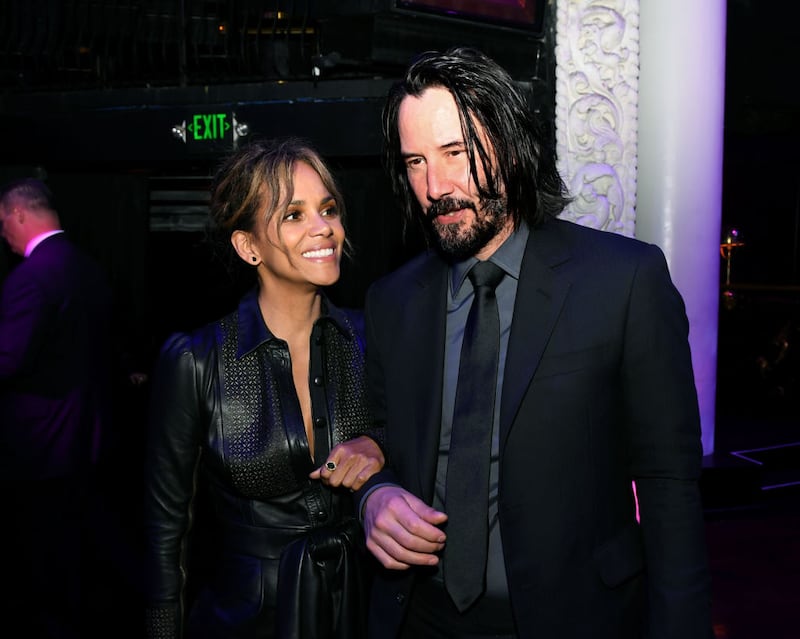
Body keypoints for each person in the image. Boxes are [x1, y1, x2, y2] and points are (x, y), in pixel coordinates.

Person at [356, 46, 713, 639]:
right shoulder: (393, 300)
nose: (435, 186)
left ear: (512, 144)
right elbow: (378, 442)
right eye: (415, 162)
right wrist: (375, 493)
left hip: (578, 619)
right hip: (421, 620)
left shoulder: (623, 281)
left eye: (455, 153)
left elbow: (669, 482)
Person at [143, 137, 385, 639]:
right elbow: (166, 533)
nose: (324, 227)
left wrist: (382, 446)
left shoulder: (375, 339)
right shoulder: (196, 360)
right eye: (293, 215)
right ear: (248, 246)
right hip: (248, 622)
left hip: (364, 610)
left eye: (329, 208)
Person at [0, 177, 115, 638]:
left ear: (20, 214)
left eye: (2, 220)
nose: (2, 231)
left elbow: (9, 361)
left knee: (45, 560)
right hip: (90, 436)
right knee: (81, 552)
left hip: (41, 446)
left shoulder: (31, 276)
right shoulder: (90, 267)